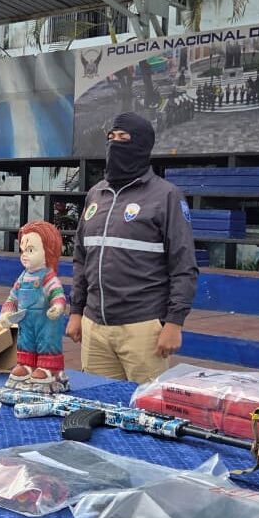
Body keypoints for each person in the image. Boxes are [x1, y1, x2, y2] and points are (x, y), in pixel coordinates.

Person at [65, 112, 199, 383]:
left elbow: (184, 265)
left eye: (123, 138)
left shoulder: (166, 196)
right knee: (96, 401)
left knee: (143, 405)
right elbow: (81, 259)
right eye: (111, 137)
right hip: (95, 328)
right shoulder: (96, 195)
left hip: (142, 328)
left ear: (141, 144)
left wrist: (174, 323)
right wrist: (76, 312)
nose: (115, 144)